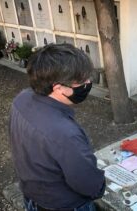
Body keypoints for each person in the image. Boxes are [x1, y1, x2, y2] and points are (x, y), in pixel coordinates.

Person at [9, 43, 105, 211]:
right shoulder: (65, 133)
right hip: (64, 205)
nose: (88, 83)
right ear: (59, 88)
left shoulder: (21, 99)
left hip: (32, 196)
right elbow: (87, 183)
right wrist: (100, 186)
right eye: (82, 81)